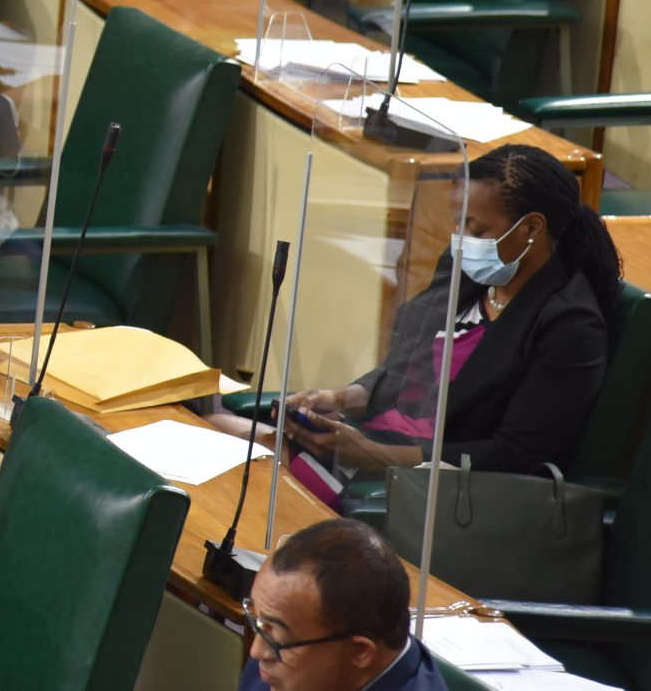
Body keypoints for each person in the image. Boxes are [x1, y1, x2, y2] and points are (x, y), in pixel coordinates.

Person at [206, 144, 620, 502]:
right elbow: (407, 366)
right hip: (367, 445)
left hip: (428, 486)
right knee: (206, 428)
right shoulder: (467, 272)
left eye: (476, 227)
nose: (461, 238)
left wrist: (371, 454)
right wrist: (341, 397)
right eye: (459, 222)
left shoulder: (569, 325)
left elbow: (513, 457)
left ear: (531, 227)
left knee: (231, 462)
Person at [238, 519, 448, 690]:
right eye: (259, 622)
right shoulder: (279, 646)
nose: (256, 651)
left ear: (359, 651)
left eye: (275, 637)